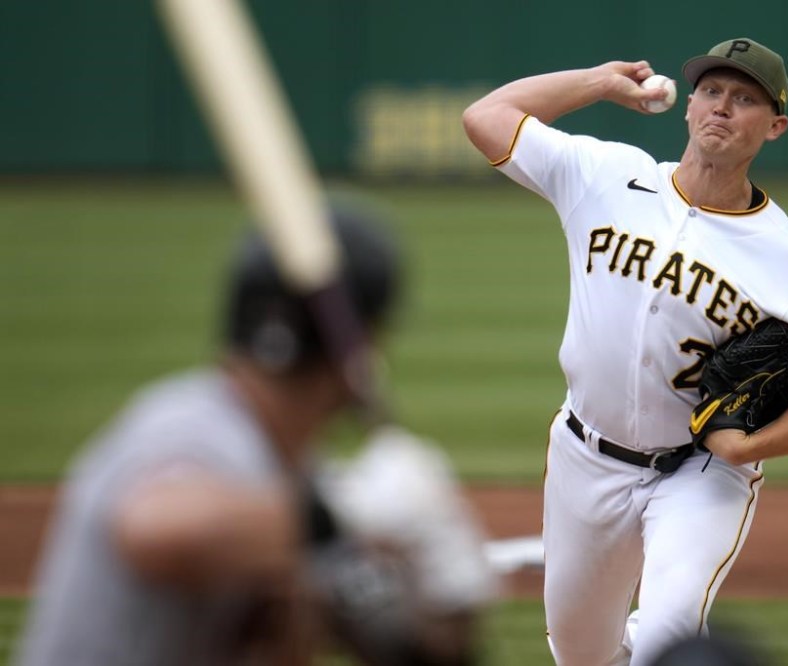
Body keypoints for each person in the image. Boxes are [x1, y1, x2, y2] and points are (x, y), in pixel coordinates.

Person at [463, 38, 788, 666]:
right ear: (688, 107)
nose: (721, 108)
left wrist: (748, 447)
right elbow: (486, 118)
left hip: (698, 473)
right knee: (581, 653)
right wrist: (597, 81)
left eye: (744, 99)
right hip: (584, 457)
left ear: (775, 126)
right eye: (711, 91)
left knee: (664, 643)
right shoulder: (604, 176)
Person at [15, 204, 495, 665]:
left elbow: (402, 650)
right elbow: (156, 532)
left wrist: (450, 601)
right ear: (357, 348)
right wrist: (349, 512)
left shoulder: (294, 486)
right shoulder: (195, 428)